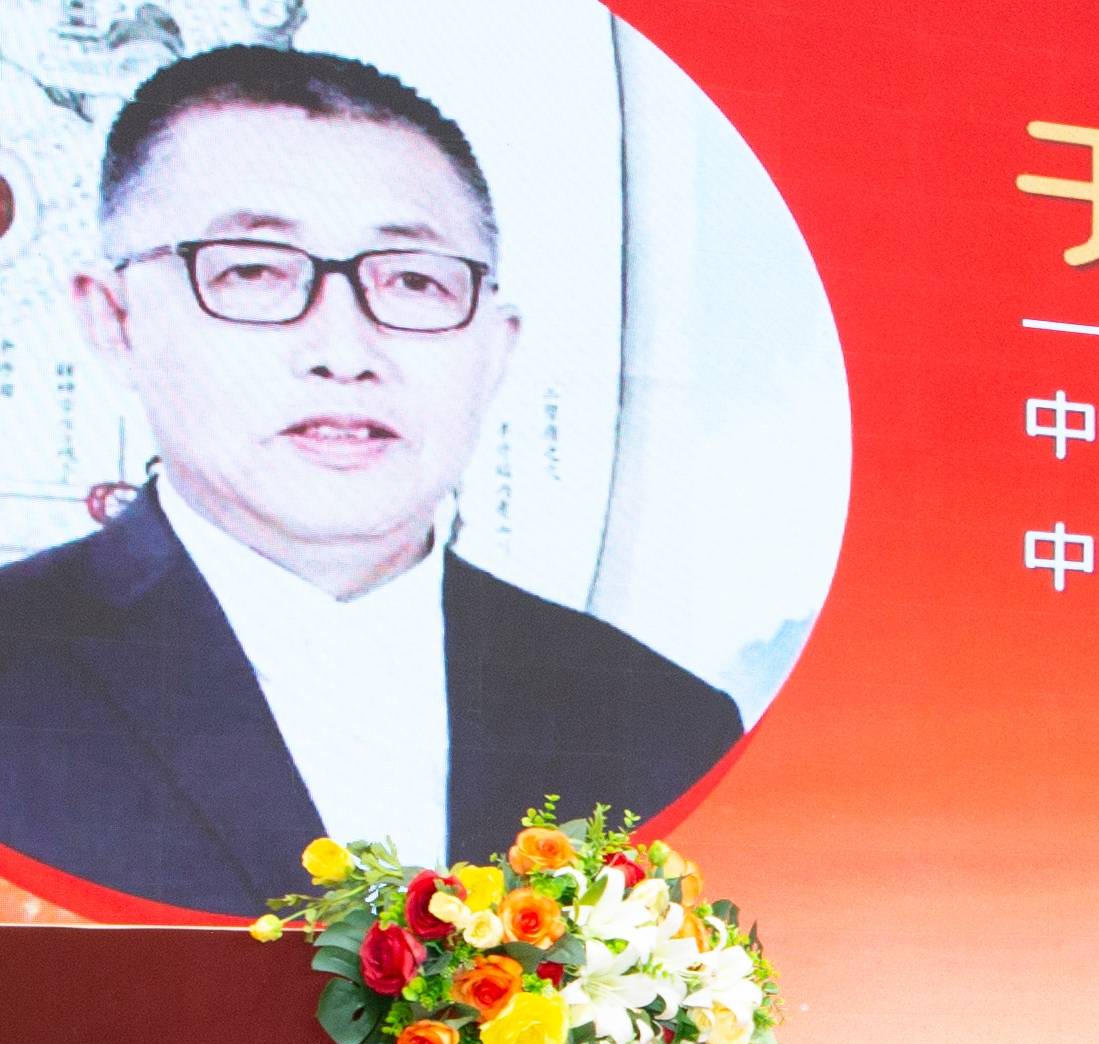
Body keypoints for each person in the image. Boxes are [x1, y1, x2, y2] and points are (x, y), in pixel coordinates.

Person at [0, 45, 739, 915]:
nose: (345, 351)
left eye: (414, 280)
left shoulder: (658, 723)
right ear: (112, 319)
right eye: (253, 270)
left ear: (495, 346)